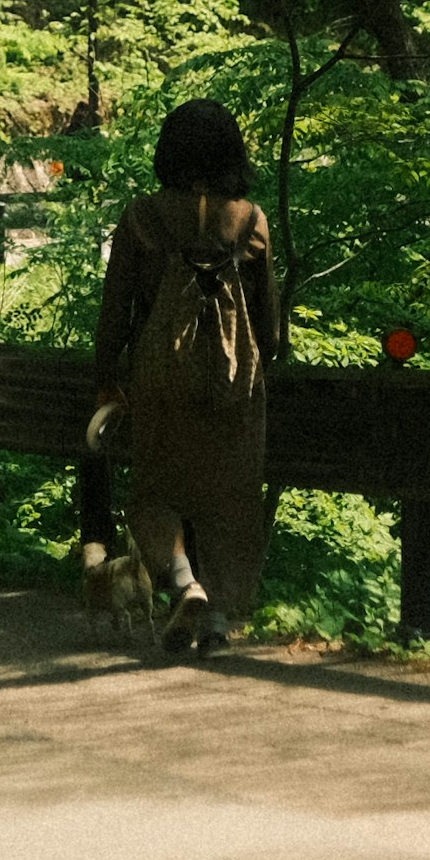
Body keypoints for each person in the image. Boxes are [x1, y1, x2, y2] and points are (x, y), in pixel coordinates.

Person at [92, 98, 285, 653]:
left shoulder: (142, 217)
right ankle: (219, 620)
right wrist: (263, 364)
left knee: (156, 489)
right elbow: (266, 318)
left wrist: (107, 375)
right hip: (233, 375)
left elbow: (117, 308)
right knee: (230, 497)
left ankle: (182, 580)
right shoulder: (250, 220)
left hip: (160, 375)